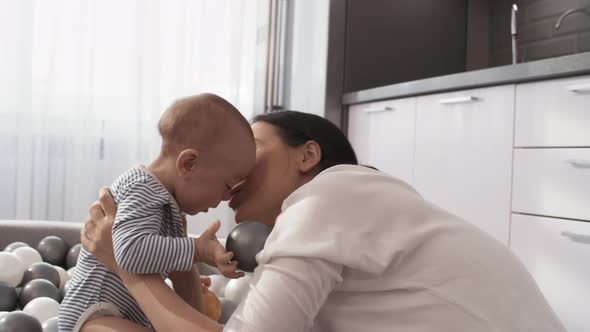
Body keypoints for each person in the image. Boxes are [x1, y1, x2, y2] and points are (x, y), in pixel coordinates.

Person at [81, 110, 566, 332]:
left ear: (308, 155)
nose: (234, 176)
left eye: (251, 154)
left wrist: (125, 266)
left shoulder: (331, 196)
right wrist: (181, 254)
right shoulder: (326, 230)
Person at [60, 93, 254, 332]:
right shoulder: (142, 188)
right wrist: (198, 250)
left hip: (122, 313)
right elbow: (130, 252)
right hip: (95, 313)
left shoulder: (165, 201)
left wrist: (188, 262)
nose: (227, 198)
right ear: (189, 164)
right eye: (227, 186)